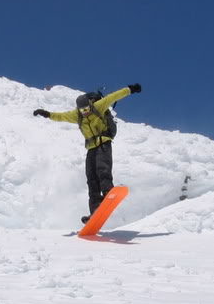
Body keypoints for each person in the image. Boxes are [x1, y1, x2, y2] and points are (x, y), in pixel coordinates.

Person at [34, 84, 142, 222]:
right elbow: (61, 116)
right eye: (82, 109)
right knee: (91, 178)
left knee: (102, 168)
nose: (85, 111)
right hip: (91, 147)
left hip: (103, 142)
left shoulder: (98, 106)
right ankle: (96, 209)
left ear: (90, 104)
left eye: (86, 108)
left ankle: (108, 191)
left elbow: (114, 96)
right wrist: (47, 114)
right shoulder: (77, 115)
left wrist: (130, 89)